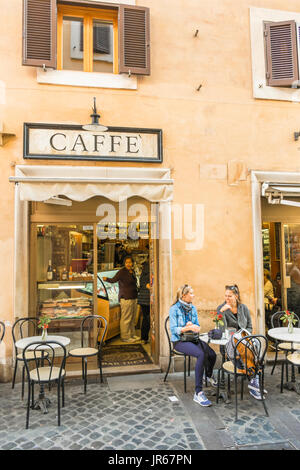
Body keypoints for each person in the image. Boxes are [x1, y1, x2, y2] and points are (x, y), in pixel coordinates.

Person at [169, 284, 217, 407]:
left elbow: (197, 325)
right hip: (180, 341)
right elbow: (174, 330)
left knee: (211, 354)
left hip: (193, 338)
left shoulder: (193, 308)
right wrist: (186, 328)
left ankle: (208, 376)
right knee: (201, 354)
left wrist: (193, 326)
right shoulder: (174, 309)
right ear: (184, 295)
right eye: (191, 293)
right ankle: (198, 392)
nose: (193, 295)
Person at [217, 284, 267, 400]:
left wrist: (243, 334)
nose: (227, 298)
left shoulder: (243, 308)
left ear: (236, 296)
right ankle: (254, 380)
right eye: (226, 296)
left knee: (256, 344)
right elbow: (221, 329)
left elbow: (249, 326)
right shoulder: (221, 308)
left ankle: (254, 380)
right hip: (229, 344)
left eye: (230, 296)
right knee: (241, 344)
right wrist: (221, 313)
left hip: (244, 341)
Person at [103, 256, 139, 343]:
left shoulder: (132, 271)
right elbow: (113, 280)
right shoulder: (122, 272)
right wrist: (106, 279)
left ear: (132, 263)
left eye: (130, 262)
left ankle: (132, 334)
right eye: (127, 262)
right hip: (126, 298)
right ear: (124, 263)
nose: (128, 264)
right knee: (126, 318)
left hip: (133, 297)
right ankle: (125, 337)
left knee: (132, 317)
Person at [137, 261, 150, 344]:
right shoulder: (149, 274)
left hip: (142, 299)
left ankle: (143, 338)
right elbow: (148, 286)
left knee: (145, 318)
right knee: (147, 319)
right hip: (148, 300)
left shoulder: (142, 275)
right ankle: (144, 338)